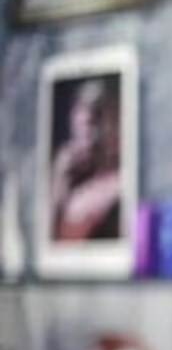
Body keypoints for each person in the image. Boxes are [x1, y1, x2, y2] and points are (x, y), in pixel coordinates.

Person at [50, 78, 122, 242]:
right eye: (81, 130)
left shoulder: (116, 182)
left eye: (98, 116)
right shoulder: (66, 172)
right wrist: (59, 181)